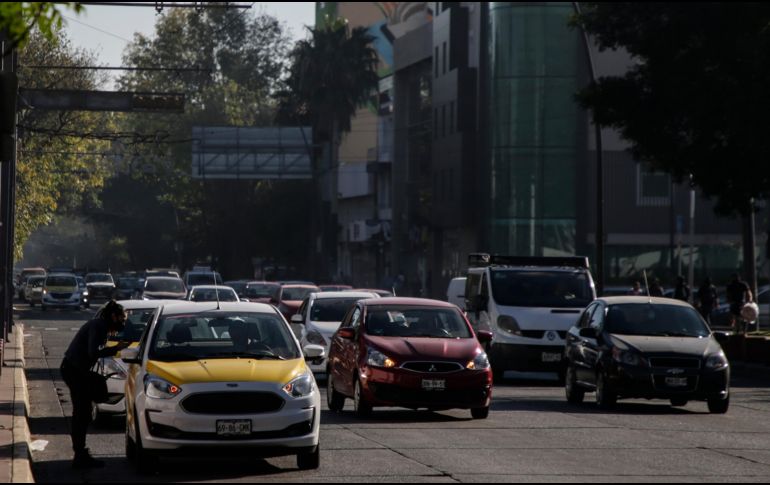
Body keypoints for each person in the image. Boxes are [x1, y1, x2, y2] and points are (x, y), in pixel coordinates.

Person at [60, 301, 130, 469]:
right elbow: (93, 352)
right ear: (113, 316)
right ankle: (79, 455)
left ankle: (80, 453)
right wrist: (116, 349)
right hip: (73, 370)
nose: (123, 322)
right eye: (122, 318)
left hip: (77, 370)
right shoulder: (99, 326)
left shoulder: (101, 325)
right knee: (82, 412)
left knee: (83, 412)